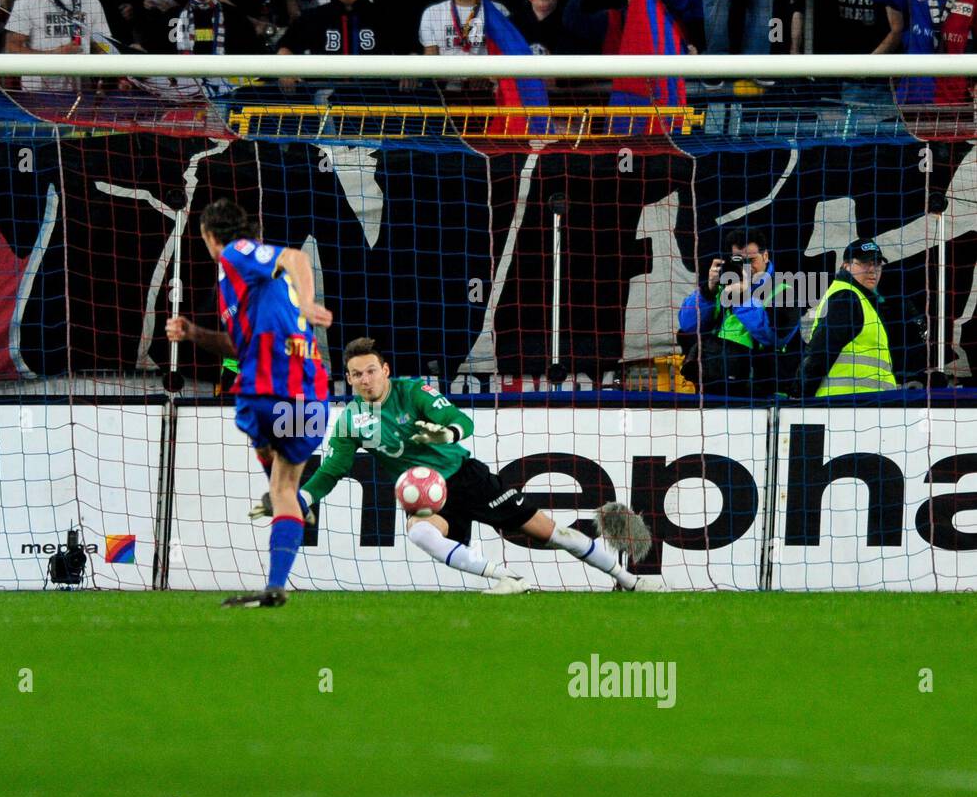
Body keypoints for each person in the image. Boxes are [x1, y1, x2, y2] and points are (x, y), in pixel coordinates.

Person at [273, 337, 662, 592]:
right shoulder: (349, 420)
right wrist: (300, 500)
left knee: (553, 533)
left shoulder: (414, 392)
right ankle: (503, 578)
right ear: (349, 378)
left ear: (385, 369)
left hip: (466, 479)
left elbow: (463, 422)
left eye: (371, 370)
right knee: (419, 533)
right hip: (430, 498)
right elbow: (333, 470)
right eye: (356, 374)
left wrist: (444, 436)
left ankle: (627, 579)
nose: (365, 379)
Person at [166, 199, 333, 609]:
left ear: (208, 235)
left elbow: (294, 255)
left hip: (271, 387)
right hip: (312, 391)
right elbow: (236, 347)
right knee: (285, 486)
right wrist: (192, 333)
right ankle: (277, 581)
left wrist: (310, 304)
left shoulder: (236, 254)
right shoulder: (246, 289)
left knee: (274, 471)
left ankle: (279, 502)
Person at [677, 228, 795, 397]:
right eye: (740, 261)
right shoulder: (723, 286)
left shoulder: (783, 291)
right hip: (714, 384)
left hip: (761, 392)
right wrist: (707, 290)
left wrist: (742, 298)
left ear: (766, 256)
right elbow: (688, 325)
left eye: (751, 260)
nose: (747, 267)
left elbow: (773, 336)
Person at [798, 238, 900, 398]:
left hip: (862, 405)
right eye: (865, 263)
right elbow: (820, 351)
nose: (873, 270)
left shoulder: (861, 299)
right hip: (847, 405)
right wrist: (801, 395)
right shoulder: (846, 297)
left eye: (878, 263)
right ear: (845, 265)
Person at [5, 0, 118, 91]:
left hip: (80, 90)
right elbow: (12, 48)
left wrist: (113, 60)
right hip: (37, 91)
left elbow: (104, 45)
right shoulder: (26, 1)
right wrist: (54, 54)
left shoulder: (92, 2)